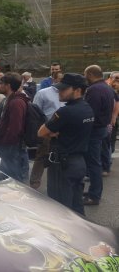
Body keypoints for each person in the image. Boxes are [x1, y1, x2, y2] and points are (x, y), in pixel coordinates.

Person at [38, 73, 94, 215]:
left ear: (77, 90)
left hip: (62, 164)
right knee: (76, 206)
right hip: (79, 162)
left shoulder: (65, 111)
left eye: (64, 89)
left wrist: (53, 132)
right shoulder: (87, 108)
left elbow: (41, 132)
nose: (59, 92)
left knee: (60, 209)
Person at [82, 65, 115, 206]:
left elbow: (90, 113)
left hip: (94, 130)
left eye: (85, 75)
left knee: (94, 163)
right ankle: (93, 191)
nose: (84, 78)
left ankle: (94, 195)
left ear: (90, 74)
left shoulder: (94, 89)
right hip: (101, 128)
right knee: (95, 162)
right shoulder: (106, 87)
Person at [30, 72, 64, 189]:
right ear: (53, 79)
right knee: (41, 155)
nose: (62, 82)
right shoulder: (43, 93)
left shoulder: (67, 93)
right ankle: (35, 181)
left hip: (62, 131)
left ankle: (56, 182)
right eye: (60, 79)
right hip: (47, 129)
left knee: (59, 156)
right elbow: (35, 111)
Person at [0, 73, 29, 182]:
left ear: (8, 85)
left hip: (13, 149)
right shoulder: (10, 100)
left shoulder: (16, 102)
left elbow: (15, 128)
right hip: (10, 148)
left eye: (1, 83)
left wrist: (5, 142)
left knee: (15, 181)